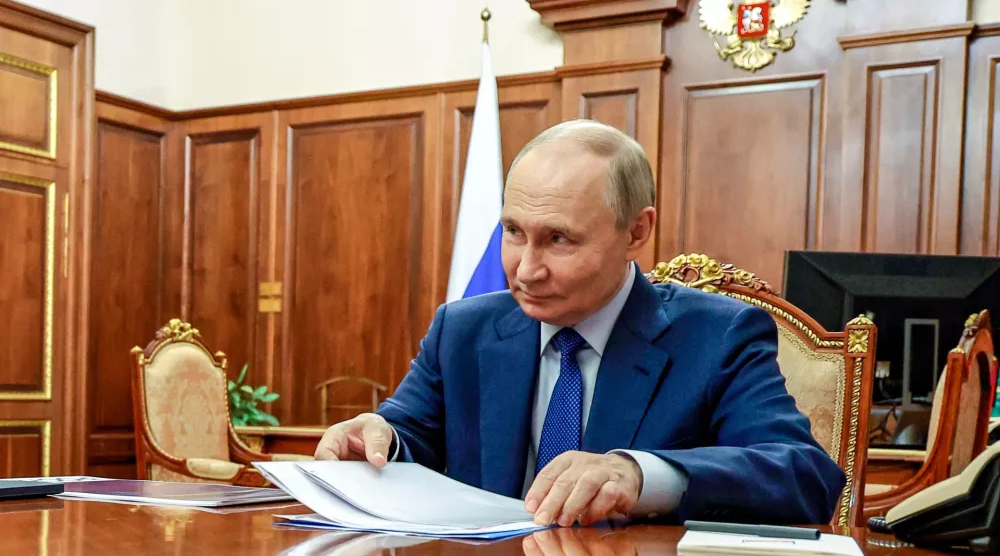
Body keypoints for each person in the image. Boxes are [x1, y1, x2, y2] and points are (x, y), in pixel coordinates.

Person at [314, 119, 845, 526]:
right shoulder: (464, 329)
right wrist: (377, 440)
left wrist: (639, 475)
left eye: (558, 239)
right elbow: (410, 437)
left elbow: (805, 476)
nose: (525, 269)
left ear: (637, 231)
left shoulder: (717, 336)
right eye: (514, 232)